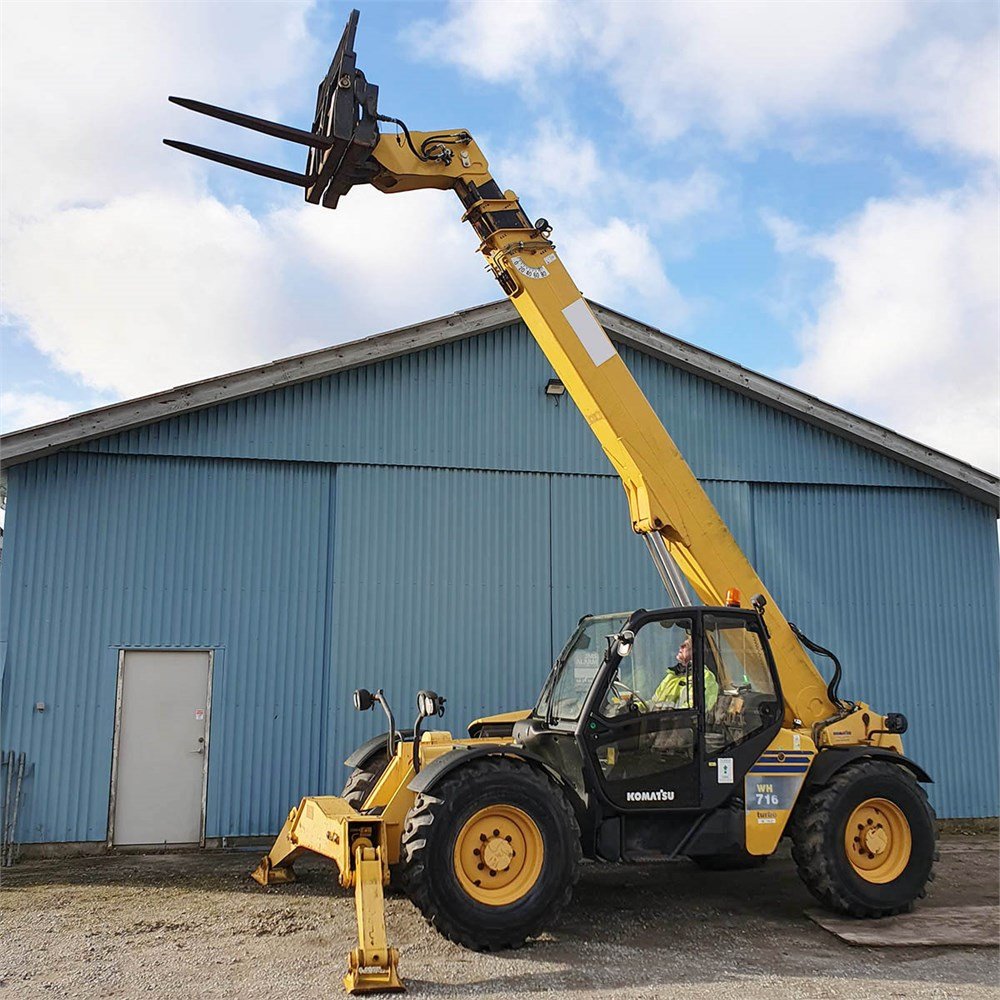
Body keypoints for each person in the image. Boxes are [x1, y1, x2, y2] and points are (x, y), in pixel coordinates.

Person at [652, 636, 719, 711]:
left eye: (686, 645)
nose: (680, 646)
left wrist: (668, 714)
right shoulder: (671, 676)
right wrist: (641, 707)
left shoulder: (705, 677)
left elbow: (695, 709)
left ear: (696, 653)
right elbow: (653, 702)